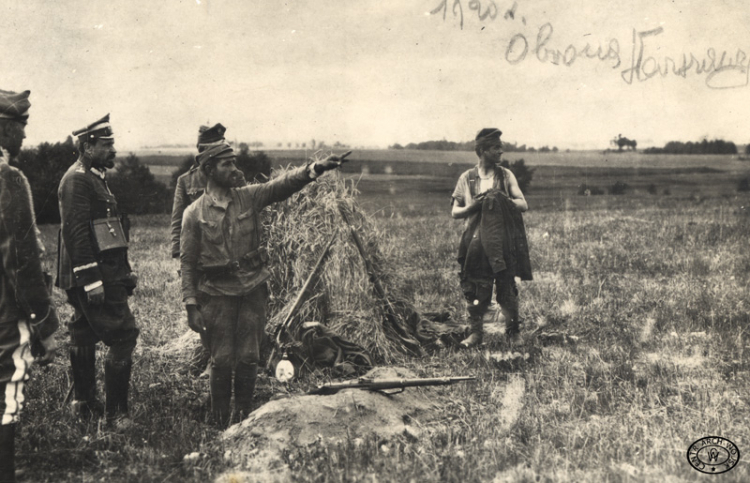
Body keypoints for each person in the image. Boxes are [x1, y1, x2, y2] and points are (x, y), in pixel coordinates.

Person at [180, 142, 349, 427]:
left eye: (234, 163)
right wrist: (191, 305)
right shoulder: (194, 214)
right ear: (209, 170)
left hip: (252, 290)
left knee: (249, 357)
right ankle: (220, 420)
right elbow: (186, 263)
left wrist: (314, 169)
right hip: (216, 295)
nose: (235, 169)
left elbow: (281, 186)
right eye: (227, 164)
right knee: (220, 360)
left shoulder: (248, 198)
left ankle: (245, 418)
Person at [57, 114, 139, 426]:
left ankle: (83, 403)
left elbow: (107, 230)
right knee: (124, 334)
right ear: (87, 146)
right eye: (107, 145)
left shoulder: (92, 175)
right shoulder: (78, 179)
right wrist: (91, 281)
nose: (113, 150)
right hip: (93, 275)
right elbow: (76, 234)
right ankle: (116, 415)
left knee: (83, 329)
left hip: (100, 271)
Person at [0, 89, 59, 483]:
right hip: (6, 312)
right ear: (3, 129)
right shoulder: (9, 180)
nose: (23, 137)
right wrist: (43, 322)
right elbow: (21, 261)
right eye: (20, 127)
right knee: (7, 386)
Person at [451, 128, 532, 348]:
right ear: (482, 150)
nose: (501, 151)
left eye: (500, 146)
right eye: (496, 147)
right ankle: (476, 334)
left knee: (506, 288)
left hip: (502, 242)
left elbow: (523, 204)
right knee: (477, 289)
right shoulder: (466, 178)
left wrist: (503, 200)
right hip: (475, 243)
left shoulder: (505, 175)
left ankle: (513, 333)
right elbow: (454, 212)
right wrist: (473, 206)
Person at [170, 123, 227, 259]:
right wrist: (178, 251)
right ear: (202, 151)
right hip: (198, 250)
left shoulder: (232, 176)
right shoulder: (185, 181)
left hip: (226, 248)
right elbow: (178, 219)